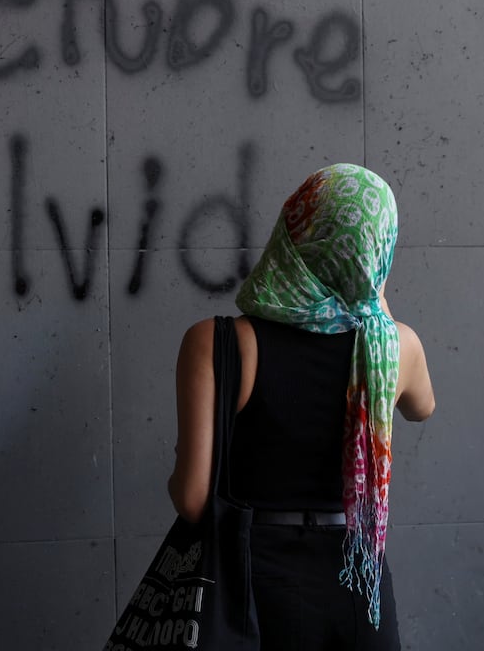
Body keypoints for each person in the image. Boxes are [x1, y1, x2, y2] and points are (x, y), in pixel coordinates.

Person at [166, 163, 435, 650]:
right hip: (361, 589)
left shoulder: (218, 343)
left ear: (293, 231)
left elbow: (191, 499)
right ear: (381, 249)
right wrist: (371, 289)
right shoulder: (396, 349)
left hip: (255, 591)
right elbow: (422, 408)